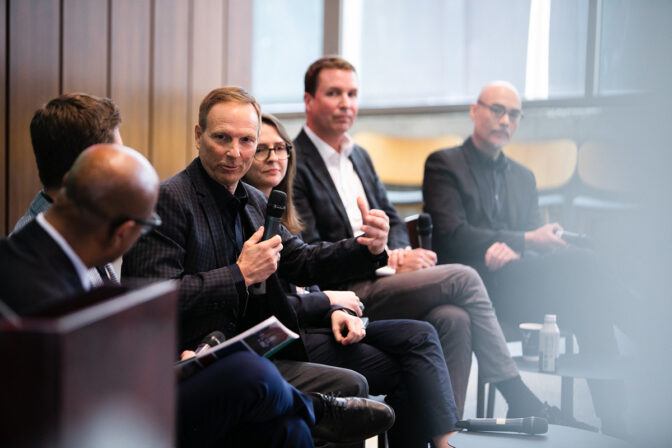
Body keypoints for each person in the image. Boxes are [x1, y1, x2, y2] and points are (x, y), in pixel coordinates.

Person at [0, 143, 325, 448]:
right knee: (251, 373)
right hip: (99, 426)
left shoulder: (39, 255)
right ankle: (320, 413)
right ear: (124, 232)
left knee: (284, 428)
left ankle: (309, 414)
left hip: (125, 393)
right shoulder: (41, 292)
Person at [121, 87, 397, 445]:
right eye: (222, 138)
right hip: (186, 365)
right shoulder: (168, 200)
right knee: (348, 386)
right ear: (198, 136)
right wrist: (239, 275)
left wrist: (366, 247)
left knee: (305, 419)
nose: (235, 153)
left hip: (252, 352)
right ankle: (314, 410)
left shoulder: (253, 199)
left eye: (246, 140)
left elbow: (301, 260)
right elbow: (150, 299)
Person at [293, 56, 554, 420]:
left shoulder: (358, 156)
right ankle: (514, 390)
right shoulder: (294, 162)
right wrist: (383, 259)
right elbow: (307, 254)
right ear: (309, 101)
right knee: (464, 276)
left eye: (352, 93)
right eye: (333, 93)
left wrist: (398, 253)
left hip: (384, 277)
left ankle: (447, 433)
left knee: (455, 318)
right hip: (346, 290)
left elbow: (395, 219)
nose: (345, 103)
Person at [423, 81, 627, 437]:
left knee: (588, 299)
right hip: (474, 284)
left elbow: (536, 244)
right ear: (475, 110)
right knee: (583, 265)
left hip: (520, 286)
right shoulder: (444, 164)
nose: (505, 120)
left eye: (514, 114)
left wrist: (516, 245)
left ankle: (614, 424)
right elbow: (452, 234)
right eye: (497, 110)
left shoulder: (523, 176)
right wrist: (521, 240)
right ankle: (639, 318)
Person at [243, 113, 460, 447]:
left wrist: (336, 309)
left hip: (325, 318)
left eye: (280, 148)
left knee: (431, 330)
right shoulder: (245, 211)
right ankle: (447, 443)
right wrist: (330, 302)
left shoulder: (280, 206)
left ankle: (448, 440)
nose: (274, 157)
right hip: (292, 336)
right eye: (261, 149)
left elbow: (307, 272)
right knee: (417, 353)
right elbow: (270, 300)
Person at [13, 92, 124, 284]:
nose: (123, 172)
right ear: (83, 176)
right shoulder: (36, 264)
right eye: (116, 161)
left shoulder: (82, 228)